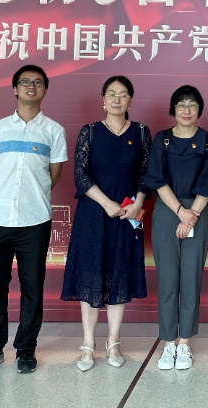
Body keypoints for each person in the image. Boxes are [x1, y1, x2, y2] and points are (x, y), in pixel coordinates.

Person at [0, 64, 68, 375]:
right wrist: (3, 200)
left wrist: (29, 200)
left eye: (38, 82)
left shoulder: (53, 131)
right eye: (25, 82)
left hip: (34, 222)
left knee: (32, 288)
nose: (31, 87)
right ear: (15, 89)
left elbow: (53, 175)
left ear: (45, 90)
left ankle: (26, 349)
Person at [60, 75, 150, 372]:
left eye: (123, 94)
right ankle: (88, 343)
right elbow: (81, 175)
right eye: (111, 93)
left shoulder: (141, 132)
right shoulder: (90, 132)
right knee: (91, 273)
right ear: (103, 99)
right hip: (93, 214)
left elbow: (146, 173)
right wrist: (107, 203)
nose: (116, 99)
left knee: (118, 274)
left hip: (126, 215)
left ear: (130, 100)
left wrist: (137, 203)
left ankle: (114, 341)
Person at [144, 85, 208, 371]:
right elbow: (157, 179)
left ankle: (184, 342)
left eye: (192, 105)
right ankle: (168, 343)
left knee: (190, 278)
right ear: (173, 109)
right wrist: (179, 212)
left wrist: (191, 216)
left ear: (199, 109)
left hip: (197, 212)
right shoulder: (162, 139)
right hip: (167, 210)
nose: (186, 110)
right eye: (181, 105)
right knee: (167, 279)